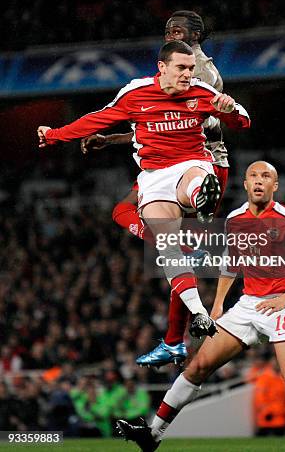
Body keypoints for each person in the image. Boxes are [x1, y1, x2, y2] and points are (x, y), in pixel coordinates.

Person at [116, 161, 285, 452]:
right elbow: (230, 265)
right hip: (248, 305)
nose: (259, 181)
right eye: (253, 176)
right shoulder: (235, 219)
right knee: (198, 366)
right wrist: (219, 305)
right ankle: (153, 434)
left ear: (275, 186)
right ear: (245, 184)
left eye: (266, 177)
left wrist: (284, 300)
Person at [37, 40, 250, 344]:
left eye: (191, 68)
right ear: (162, 68)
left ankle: (202, 196)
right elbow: (96, 118)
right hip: (153, 177)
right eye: (181, 68)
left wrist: (228, 111)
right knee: (167, 246)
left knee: (194, 181)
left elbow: (243, 120)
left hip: (192, 163)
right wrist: (55, 136)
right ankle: (199, 312)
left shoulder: (203, 92)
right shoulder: (135, 93)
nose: (188, 74)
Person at [80, 11, 230, 367]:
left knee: (173, 250)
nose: (170, 34)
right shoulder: (169, 73)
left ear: (197, 36)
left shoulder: (201, 75)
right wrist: (112, 138)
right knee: (128, 216)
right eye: (167, 30)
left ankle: (176, 340)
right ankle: (175, 339)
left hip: (196, 167)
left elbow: (181, 126)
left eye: (178, 30)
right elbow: (157, 124)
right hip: (162, 164)